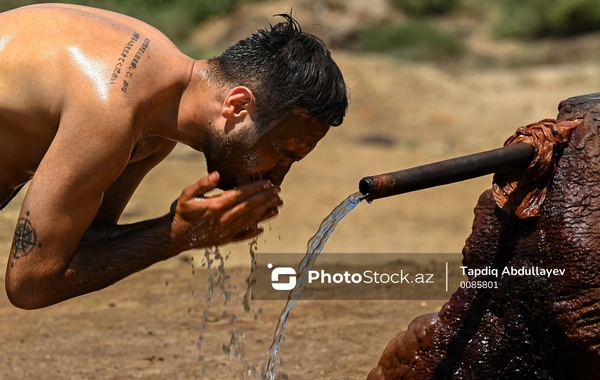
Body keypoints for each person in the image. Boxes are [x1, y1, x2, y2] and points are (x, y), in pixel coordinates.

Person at [0, 3, 348, 309]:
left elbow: (82, 240)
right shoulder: (111, 111)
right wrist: (175, 235)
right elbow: (30, 282)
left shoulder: (158, 114)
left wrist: (179, 232)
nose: (276, 177)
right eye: (282, 153)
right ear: (238, 105)